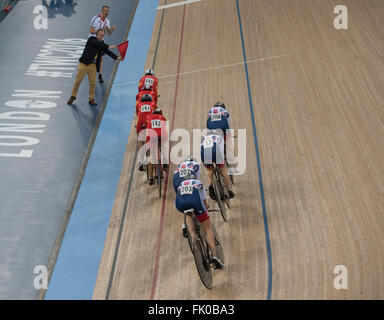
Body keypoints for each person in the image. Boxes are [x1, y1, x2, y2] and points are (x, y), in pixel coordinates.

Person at [175, 172, 224, 270]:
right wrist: (205, 210)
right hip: (195, 202)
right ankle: (214, 256)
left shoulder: (180, 185)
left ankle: (193, 238)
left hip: (180, 204)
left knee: (187, 213)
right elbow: (205, 203)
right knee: (207, 228)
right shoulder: (198, 182)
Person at [67, 29, 120, 106]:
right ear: (96, 34)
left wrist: (117, 57)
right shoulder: (91, 39)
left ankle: (91, 99)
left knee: (93, 83)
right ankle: (72, 96)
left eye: (102, 35)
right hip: (84, 64)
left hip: (93, 66)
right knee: (78, 81)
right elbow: (100, 45)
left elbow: (107, 51)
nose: (101, 36)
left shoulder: (101, 43)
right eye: (100, 35)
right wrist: (109, 46)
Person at [201, 129, 235, 200]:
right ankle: (230, 191)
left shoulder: (203, 139)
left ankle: (210, 187)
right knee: (223, 170)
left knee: (210, 170)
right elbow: (223, 150)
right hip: (216, 153)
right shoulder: (219, 137)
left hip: (205, 154)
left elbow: (201, 149)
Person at [173, 156, 201, 238]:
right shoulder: (196, 165)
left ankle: (184, 225)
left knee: (184, 199)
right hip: (187, 180)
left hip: (176, 180)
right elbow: (196, 181)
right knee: (194, 196)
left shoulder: (178, 168)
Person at [207, 102, 239, 173]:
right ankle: (234, 166)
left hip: (211, 132)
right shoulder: (225, 112)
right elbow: (228, 125)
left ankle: (210, 160)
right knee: (229, 146)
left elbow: (208, 124)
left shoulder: (210, 111)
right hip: (223, 130)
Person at [89, 5, 116, 83]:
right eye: (105, 11)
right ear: (102, 11)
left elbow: (109, 33)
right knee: (92, 59)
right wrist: (100, 31)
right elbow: (91, 30)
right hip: (93, 40)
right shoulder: (95, 18)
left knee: (100, 59)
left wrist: (111, 30)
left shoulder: (107, 21)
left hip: (101, 41)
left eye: (108, 11)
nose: (106, 12)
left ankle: (100, 75)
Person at [145, 108, 168, 185]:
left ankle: (150, 178)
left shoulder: (148, 117)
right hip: (161, 136)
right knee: (164, 146)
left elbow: (146, 126)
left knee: (150, 156)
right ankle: (165, 163)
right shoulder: (162, 118)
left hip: (151, 137)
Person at [136, 94, 157, 171]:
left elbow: (137, 114)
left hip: (141, 123)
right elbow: (156, 115)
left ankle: (141, 161)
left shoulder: (139, 104)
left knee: (140, 139)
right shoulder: (153, 104)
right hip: (149, 122)